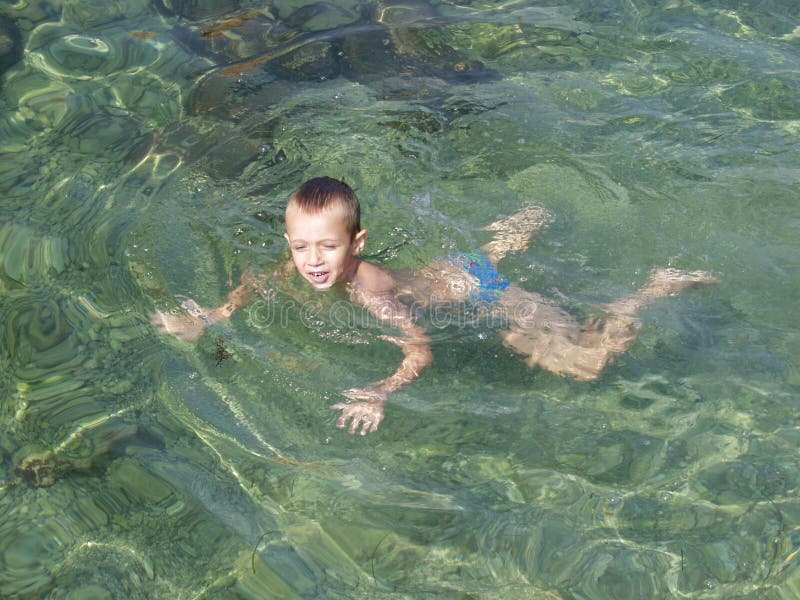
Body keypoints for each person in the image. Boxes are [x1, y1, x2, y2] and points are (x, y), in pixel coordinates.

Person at [151, 177, 715, 435]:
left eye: (328, 246)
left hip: (486, 295)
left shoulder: (369, 291)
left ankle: (651, 289)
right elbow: (257, 280)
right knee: (469, 265)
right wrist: (213, 317)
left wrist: (382, 390)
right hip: (454, 271)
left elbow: (420, 351)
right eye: (301, 246)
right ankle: (519, 228)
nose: (312, 262)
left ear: (358, 243)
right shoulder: (296, 262)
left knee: (586, 363)